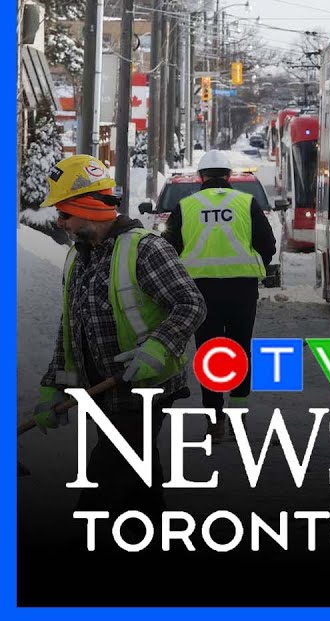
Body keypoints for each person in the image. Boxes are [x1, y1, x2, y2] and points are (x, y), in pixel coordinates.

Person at [35, 155, 206, 527]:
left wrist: (157, 346)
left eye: (64, 213)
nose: (59, 222)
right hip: (103, 390)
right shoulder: (77, 257)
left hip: (144, 389)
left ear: (87, 207)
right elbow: (71, 325)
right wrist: (53, 385)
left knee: (105, 479)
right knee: (139, 481)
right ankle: (154, 532)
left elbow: (191, 304)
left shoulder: (146, 249)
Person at [163, 150, 276, 441]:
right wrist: (255, 267)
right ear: (228, 177)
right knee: (241, 349)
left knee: (209, 352)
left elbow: (168, 249)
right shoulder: (246, 203)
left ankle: (214, 421)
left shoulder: (186, 206)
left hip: (200, 290)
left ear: (201, 177)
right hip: (242, 289)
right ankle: (238, 417)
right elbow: (267, 244)